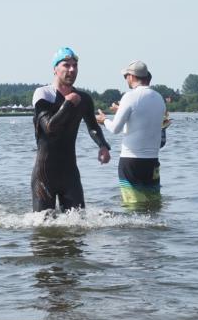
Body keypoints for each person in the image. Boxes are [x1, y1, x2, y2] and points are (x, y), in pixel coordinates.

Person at [31, 48, 111, 211]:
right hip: (45, 174)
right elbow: (49, 127)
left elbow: (93, 126)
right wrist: (68, 103)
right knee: (43, 223)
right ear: (55, 69)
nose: (72, 69)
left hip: (70, 173)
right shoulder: (43, 94)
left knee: (78, 221)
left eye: (75, 66)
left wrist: (102, 145)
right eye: (66, 65)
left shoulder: (84, 99)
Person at [96, 60, 167, 207]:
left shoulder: (129, 96)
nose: (126, 79)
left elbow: (115, 129)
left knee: (133, 207)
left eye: (126, 76)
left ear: (132, 76)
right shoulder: (159, 98)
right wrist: (121, 109)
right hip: (152, 162)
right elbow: (143, 123)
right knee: (153, 206)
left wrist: (104, 120)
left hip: (131, 162)